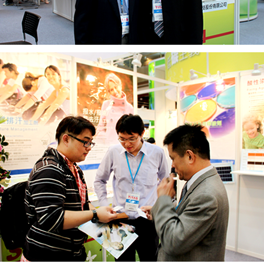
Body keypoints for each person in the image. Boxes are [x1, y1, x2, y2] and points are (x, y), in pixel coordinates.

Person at [23, 116, 119, 261]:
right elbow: (51, 219)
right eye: (85, 142)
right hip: (48, 254)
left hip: (70, 251)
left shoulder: (74, 169)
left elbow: (83, 203)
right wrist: (95, 214)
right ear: (66, 139)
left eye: (90, 143)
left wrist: (100, 212)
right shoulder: (49, 169)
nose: (88, 147)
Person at [94, 114, 170, 262]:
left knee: (150, 259)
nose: (127, 144)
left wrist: (159, 208)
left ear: (142, 134)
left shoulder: (157, 153)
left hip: (147, 220)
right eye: (122, 139)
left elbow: (165, 182)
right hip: (121, 219)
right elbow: (99, 180)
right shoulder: (113, 152)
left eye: (132, 138)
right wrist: (104, 205)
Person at [151, 124, 229, 261]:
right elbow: (185, 215)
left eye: (173, 158)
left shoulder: (206, 195)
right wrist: (158, 209)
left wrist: (163, 200)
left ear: (190, 157)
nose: (172, 165)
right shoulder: (200, 182)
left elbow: (173, 241)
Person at [95, 73, 134, 144]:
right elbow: (101, 127)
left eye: (116, 87)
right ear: (109, 92)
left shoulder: (129, 107)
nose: (115, 91)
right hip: (109, 145)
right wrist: (106, 139)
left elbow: (133, 130)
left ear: (120, 86)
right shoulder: (106, 105)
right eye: (111, 89)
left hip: (124, 145)